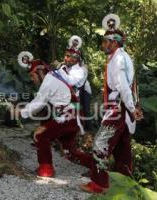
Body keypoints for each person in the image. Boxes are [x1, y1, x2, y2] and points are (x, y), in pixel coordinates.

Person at [80, 14, 143, 193]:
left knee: (100, 143)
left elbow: (124, 87)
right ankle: (127, 186)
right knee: (122, 150)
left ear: (114, 42)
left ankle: (99, 184)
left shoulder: (117, 60)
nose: (102, 45)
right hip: (122, 107)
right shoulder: (119, 57)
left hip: (120, 107)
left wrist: (131, 108)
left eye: (105, 41)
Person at [13, 36, 92, 177]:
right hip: (71, 116)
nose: (33, 80)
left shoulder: (51, 78)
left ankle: (46, 170)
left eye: (32, 76)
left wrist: (20, 112)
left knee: (40, 135)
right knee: (69, 151)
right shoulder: (56, 75)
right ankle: (96, 166)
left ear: (39, 71)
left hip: (67, 116)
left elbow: (39, 102)